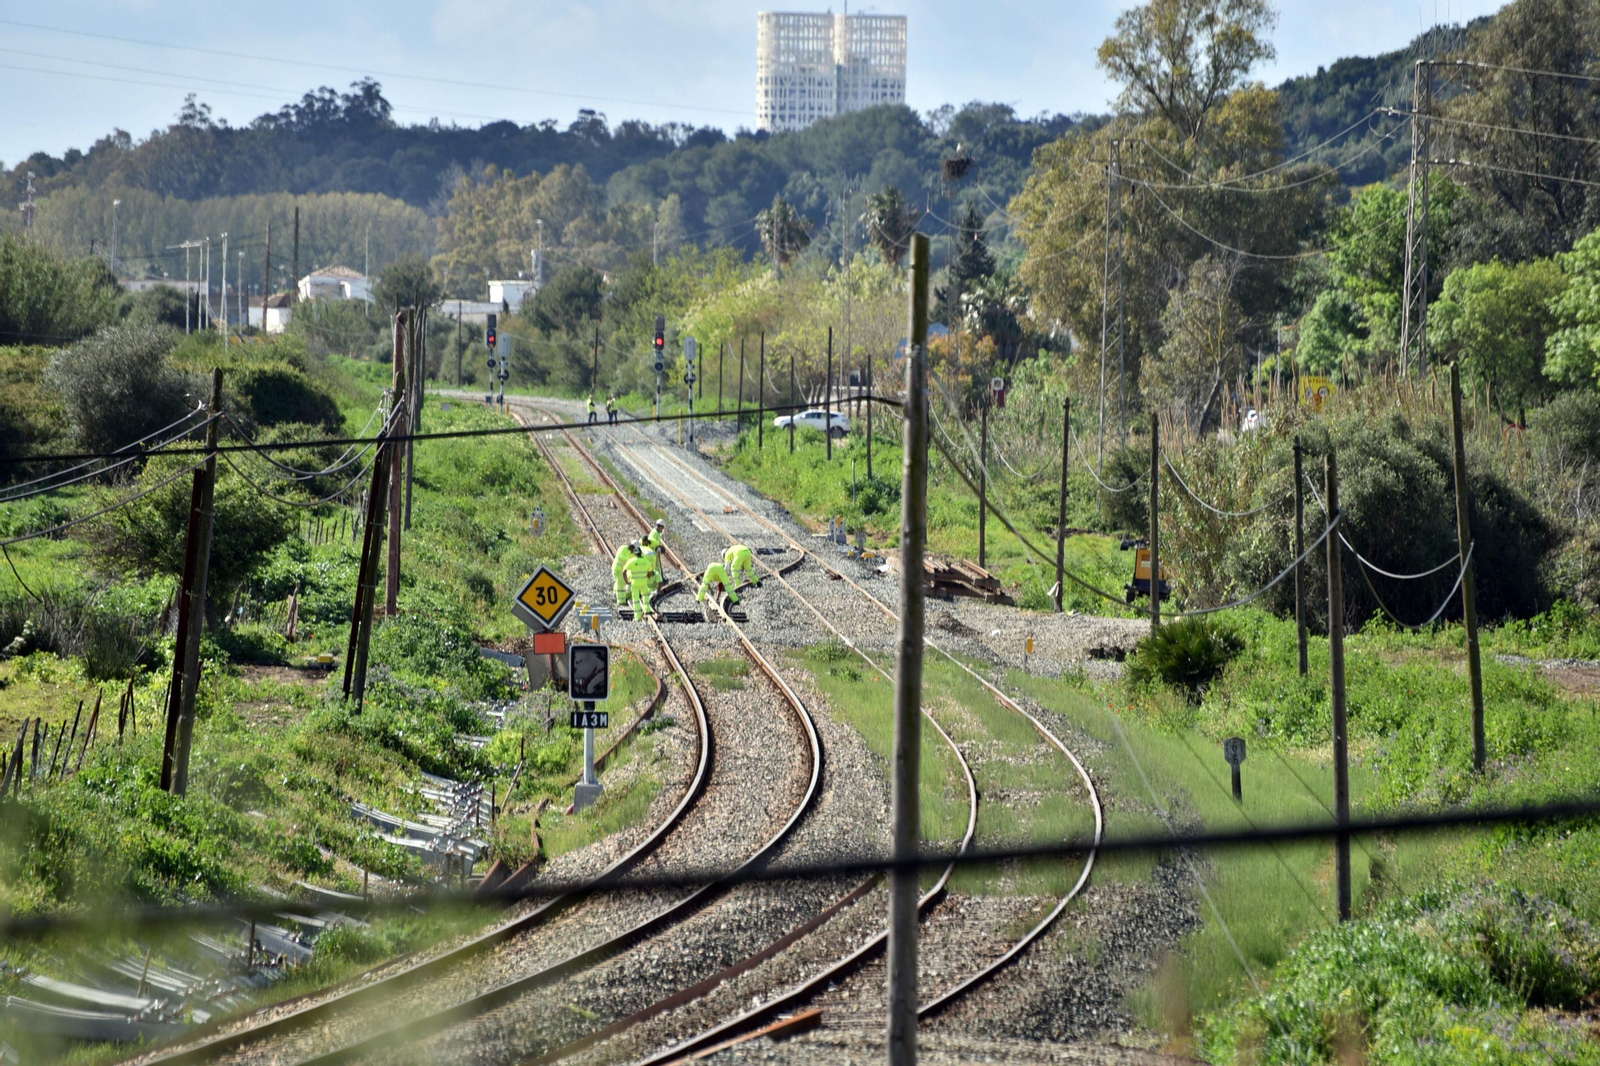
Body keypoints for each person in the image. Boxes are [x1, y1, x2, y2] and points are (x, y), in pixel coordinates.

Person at [624, 547, 658, 618]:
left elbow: (624, 572)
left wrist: (627, 582)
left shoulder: (631, 561)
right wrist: (647, 576)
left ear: (634, 554)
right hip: (643, 582)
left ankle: (637, 615)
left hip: (634, 583)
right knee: (645, 595)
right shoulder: (646, 562)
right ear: (641, 553)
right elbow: (651, 572)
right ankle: (647, 610)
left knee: (635, 599)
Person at [612, 541, 641, 605]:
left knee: (622, 584)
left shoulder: (631, 553)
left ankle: (618, 597)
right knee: (620, 586)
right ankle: (621, 601)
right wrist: (629, 560)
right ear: (632, 547)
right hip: (617, 569)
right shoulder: (622, 548)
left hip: (623, 571)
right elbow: (620, 557)